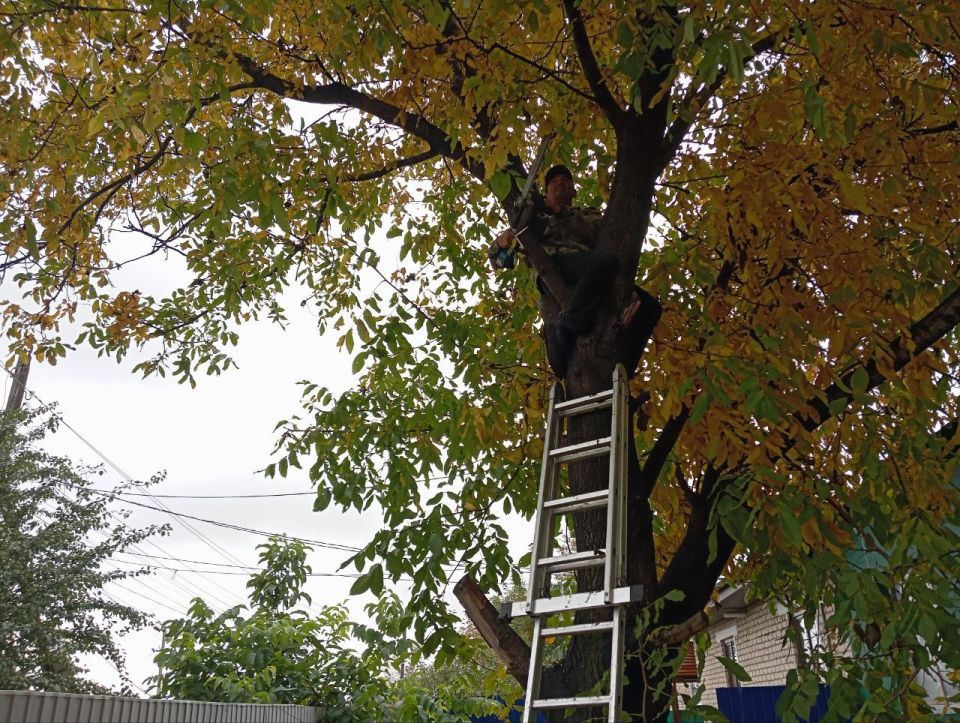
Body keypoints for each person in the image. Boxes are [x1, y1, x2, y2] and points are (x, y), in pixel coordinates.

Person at [490, 164, 619, 377]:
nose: (559, 184)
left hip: (585, 269)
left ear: (574, 191)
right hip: (552, 275)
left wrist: (560, 212)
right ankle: (567, 326)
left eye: (565, 181)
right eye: (553, 182)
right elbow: (498, 261)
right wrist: (502, 242)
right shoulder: (533, 222)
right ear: (546, 192)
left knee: (613, 270)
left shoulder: (587, 214)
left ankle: (572, 324)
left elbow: (594, 232)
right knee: (559, 365)